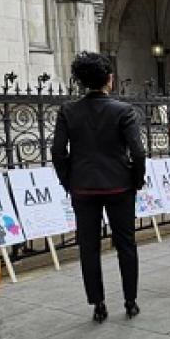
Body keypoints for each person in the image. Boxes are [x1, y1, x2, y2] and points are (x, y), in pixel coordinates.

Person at [52, 51, 146, 322]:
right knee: (126, 244)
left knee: (88, 247)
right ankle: (130, 301)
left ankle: (98, 303)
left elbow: (58, 152)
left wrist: (68, 181)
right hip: (119, 186)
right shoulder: (123, 110)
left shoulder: (68, 110)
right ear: (109, 79)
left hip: (83, 187)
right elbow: (138, 153)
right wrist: (135, 181)